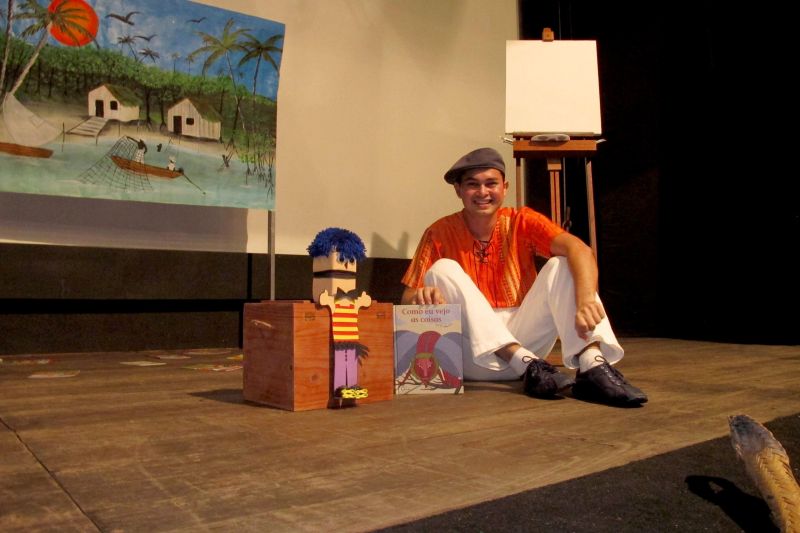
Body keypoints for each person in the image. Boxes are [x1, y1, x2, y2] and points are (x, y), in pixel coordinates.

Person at [400, 147, 647, 406]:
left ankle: (591, 364)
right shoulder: (439, 231)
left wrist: (585, 300)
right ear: (458, 190)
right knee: (442, 269)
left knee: (562, 264)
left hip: (530, 350)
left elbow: (580, 250)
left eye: (491, 183)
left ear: (504, 187)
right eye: (472, 184)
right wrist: (420, 295)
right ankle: (519, 359)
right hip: (473, 355)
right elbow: (406, 297)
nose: (483, 192)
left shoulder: (521, 221)